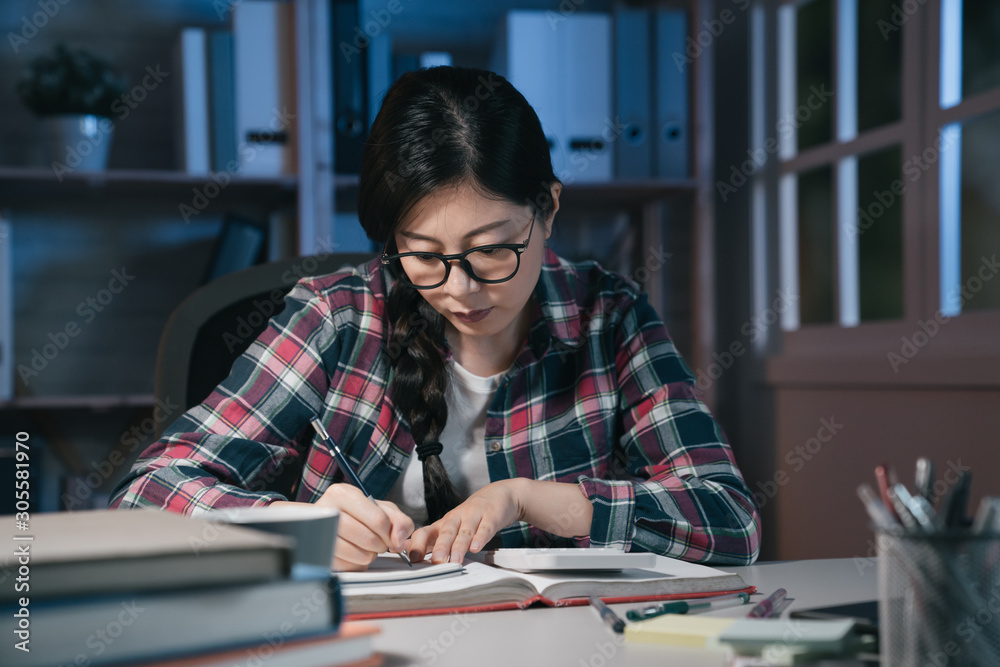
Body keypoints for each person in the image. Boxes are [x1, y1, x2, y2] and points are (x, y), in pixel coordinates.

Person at [110, 66, 761, 570]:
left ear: (549, 209)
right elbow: (145, 495)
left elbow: (731, 520)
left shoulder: (610, 318)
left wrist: (534, 500)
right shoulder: (335, 318)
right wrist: (294, 523)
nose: (460, 289)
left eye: (491, 250)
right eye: (423, 256)